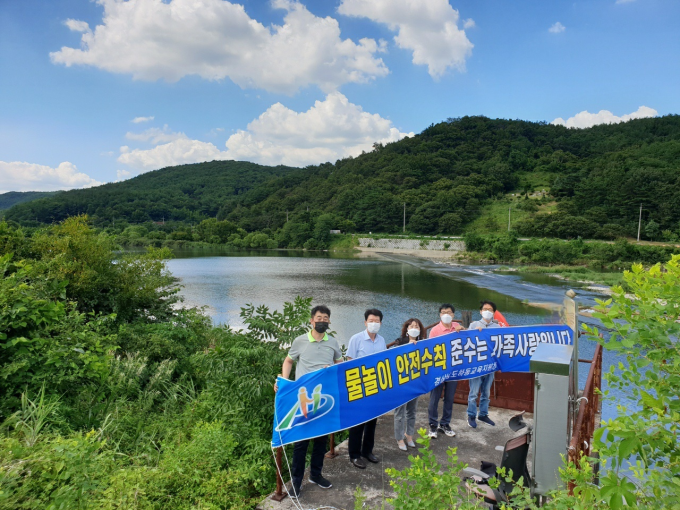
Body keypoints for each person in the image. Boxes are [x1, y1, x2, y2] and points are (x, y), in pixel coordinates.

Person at [275, 305, 343, 498]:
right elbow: (289, 361)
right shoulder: (300, 341)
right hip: (304, 399)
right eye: (319, 317)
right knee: (301, 443)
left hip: (324, 398)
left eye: (326, 318)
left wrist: (333, 369)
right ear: (311, 320)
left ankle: (315, 474)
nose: (322, 321)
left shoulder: (333, 343)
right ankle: (296, 482)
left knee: (320, 439)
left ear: (329, 322)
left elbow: (340, 364)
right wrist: (285, 380)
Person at [346, 308, 387, 469]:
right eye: (371, 321)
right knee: (358, 423)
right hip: (359, 386)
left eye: (377, 321)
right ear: (365, 322)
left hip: (375, 387)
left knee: (372, 422)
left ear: (381, 323)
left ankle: (367, 451)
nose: (374, 324)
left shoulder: (382, 340)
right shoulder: (356, 339)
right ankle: (354, 455)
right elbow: (349, 362)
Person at [428, 304, 464, 439]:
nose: (446, 314)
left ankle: (445, 424)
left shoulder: (458, 328)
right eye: (443, 312)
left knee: (449, 398)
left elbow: (467, 342)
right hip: (438, 370)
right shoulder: (435, 331)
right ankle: (432, 425)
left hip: (454, 370)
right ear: (440, 315)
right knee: (434, 398)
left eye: (448, 312)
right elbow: (430, 351)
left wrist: (463, 331)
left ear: (453, 314)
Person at [392, 318, 426, 451]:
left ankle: (409, 435)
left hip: (415, 382)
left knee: (412, 411)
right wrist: (408, 346)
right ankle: (399, 438)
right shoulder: (400, 342)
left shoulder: (423, 343)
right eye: (411, 326)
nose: (414, 328)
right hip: (402, 383)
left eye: (417, 326)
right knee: (400, 412)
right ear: (406, 329)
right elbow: (394, 359)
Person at [466, 300, 502, 429]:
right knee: (474, 392)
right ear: (480, 311)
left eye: (490, 310)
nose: (488, 311)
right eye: (485, 309)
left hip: (490, 365)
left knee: (486, 392)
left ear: (494, 312)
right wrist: (474, 333)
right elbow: (466, 343)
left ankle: (483, 414)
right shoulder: (474, 324)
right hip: (476, 365)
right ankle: (471, 415)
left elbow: (500, 346)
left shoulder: (497, 328)